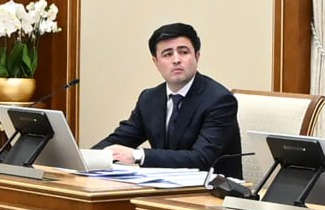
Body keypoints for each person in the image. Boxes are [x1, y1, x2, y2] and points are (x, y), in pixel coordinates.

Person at [93, 22, 242, 178]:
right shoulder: (149, 99)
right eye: (167, 54)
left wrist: (139, 155)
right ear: (155, 62)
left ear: (197, 56)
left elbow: (202, 158)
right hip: (164, 186)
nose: (176, 60)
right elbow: (120, 139)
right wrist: (86, 157)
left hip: (212, 188)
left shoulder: (219, 100)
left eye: (183, 52)